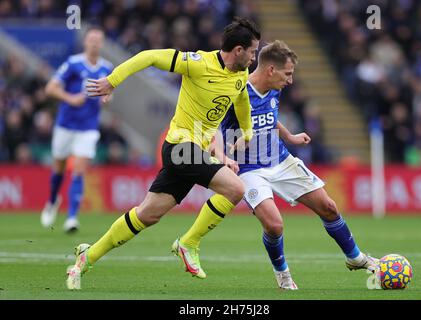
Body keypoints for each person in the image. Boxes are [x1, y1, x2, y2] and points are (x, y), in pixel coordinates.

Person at [65, 17, 260, 290]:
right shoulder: (197, 63)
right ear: (238, 50)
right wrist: (112, 81)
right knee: (235, 189)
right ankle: (188, 243)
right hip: (180, 146)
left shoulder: (239, 75)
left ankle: (88, 256)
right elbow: (149, 56)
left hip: (193, 153)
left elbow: (241, 102)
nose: (254, 58)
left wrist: (246, 133)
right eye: (252, 51)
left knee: (147, 215)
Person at [209, 40, 379, 290]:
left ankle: (355, 258)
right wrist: (222, 156)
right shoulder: (236, 89)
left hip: (280, 159)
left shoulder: (274, 88)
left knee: (329, 207)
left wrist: (289, 136)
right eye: (287, 74)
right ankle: (283, 273)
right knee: (274, 225)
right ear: (270, 71)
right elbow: (213, 126)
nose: (290, 80)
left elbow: (269, 117)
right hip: (248, 169)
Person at [41, 26, 113, 233]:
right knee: (59, 168)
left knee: (79, 170)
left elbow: (109, 94)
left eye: (98, 40)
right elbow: (51, 87)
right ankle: (53, 200)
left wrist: (107, 98)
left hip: (88, 127)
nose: (94, 43)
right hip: (65, 124)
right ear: (85, 42)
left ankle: (72, 218)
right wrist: (70, 98)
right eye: (91, 39)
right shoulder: (73, 63)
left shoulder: (107, 68)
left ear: (102, 43)